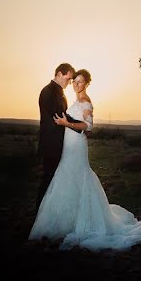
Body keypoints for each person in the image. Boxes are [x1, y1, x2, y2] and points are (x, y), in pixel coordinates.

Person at [29, 68, 141, 250]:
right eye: (74, 81)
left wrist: (67, 123)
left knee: (78, 176)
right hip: (68, 145)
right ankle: (66, 218)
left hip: (77, 145)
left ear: (86, 84)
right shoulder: (74, 100)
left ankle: (81, 219)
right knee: (65, 177)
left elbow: (88, 127)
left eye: (79, 82)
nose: (75, 84)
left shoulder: (86, 102)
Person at [36, 63, 85, 201]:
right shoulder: (48, 92)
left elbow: (63, 115)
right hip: (51, 144)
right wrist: (79, 127)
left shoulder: (59, 93)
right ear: (59, 74)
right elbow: (59, 116)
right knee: (49, 180)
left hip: (58, 143)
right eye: (68, 79)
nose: (69, 83)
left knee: (55, 181)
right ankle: (40, 214)